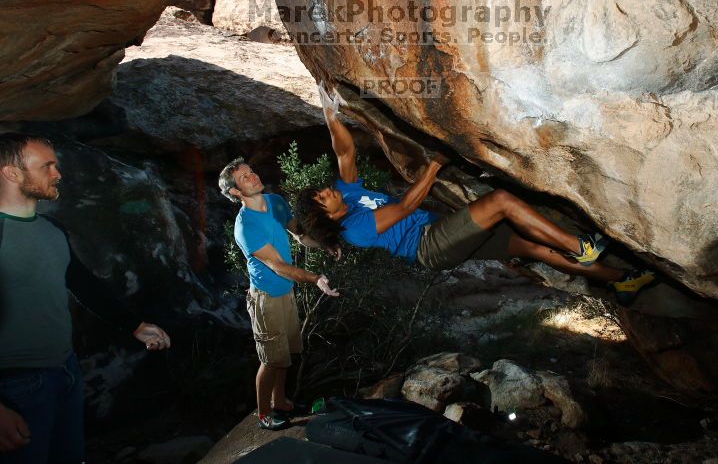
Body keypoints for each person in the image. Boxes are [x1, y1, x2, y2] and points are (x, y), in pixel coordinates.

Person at [295, 83, 656, 304]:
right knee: (500, 202)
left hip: (440, 231)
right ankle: (582, 248)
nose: (328, 190)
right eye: (322, 197)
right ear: (327, 215)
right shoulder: (354, 228)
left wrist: (331, 115)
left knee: (529, 247)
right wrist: (435, 165)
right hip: (429, 246)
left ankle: (621, 282)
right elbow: (406, 205)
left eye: (323, 189)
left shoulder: (346, 191)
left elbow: (345, 152)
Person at [0, 133, 171, 464]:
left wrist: (135, 326)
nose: (57, 173)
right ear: (11, 173)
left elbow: (82, 283)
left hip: (65, 372)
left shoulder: (51, 229)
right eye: (46, 166)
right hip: (14, 387)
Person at [218, 157, 339, 430]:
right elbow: (278, 266)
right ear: (235, 192)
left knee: (286, 353)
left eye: (251, 172)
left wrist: (326, 242)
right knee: (270, 359)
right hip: (266, 299)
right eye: (244, 178)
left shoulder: (275, 202)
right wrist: (315, 278)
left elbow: (299, 234)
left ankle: (281, 401)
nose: (253, 177)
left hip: (286, 292)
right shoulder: (246, 226)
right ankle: (263, 415)